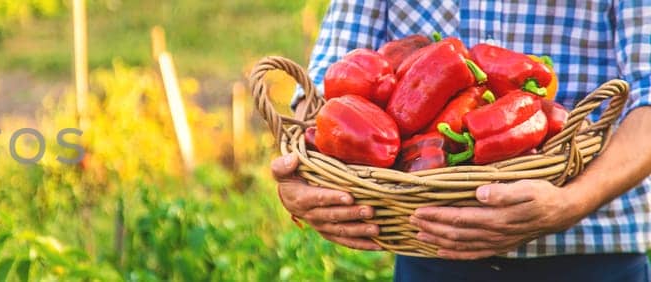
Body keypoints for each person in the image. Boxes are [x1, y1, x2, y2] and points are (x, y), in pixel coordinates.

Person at [278, 1, 651, 280]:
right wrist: (306, 170)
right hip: (430, 250)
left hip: (593, 255)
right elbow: (324, 90)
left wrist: (571, 201)